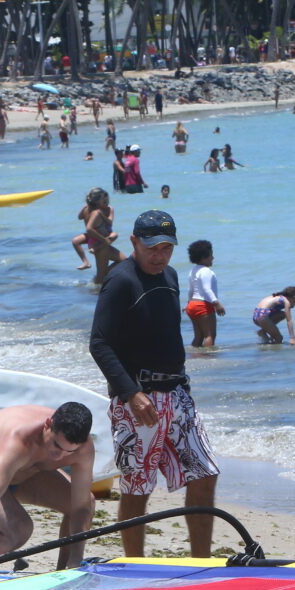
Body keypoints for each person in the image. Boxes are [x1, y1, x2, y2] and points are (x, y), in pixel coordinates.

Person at [89, 210, 220, 558]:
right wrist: (131, 393)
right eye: (152, 248)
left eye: (166, 247)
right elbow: (99, 343)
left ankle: (202, 564)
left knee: (204, 473)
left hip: (177, 394)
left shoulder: (171, 276)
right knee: (137, 487)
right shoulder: (120, 281)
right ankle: (134, 565)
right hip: (138, 400)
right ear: (134, 242)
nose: (159, 255)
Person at [0, 404, 97, 570]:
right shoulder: (20, 438)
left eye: (69, 452)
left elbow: (80, 506)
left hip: (24, 471)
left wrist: (76, 558)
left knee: (86, 502)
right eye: (56, 445)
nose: (58, 456)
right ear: (48, 425)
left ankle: (65, 571)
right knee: (19, 529)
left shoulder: (84, 449)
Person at [185, 239, 224, 348]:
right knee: (210, 335)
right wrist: (216, 303)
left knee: (199, 336)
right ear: (204, 257)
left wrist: (188, 304)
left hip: (192, 305)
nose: (213, 258)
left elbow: (190, 290)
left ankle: (194, 356)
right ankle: (208, 359)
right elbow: (207, 289)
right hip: (203, 305)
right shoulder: (206, 271)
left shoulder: (193, 271)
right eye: (211, 255)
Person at [84, 189, 122, 285]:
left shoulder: (108, 210)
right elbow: (89, 229)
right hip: (98, 243)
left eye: (107, 200)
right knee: (101, 276)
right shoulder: (96, 213)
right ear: (96, 202)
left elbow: (109, 222)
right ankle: (95, 292)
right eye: (103, 201)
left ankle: (95, 283)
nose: (106, 202)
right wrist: (104, 240)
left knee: (124, 262)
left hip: (103, 244)